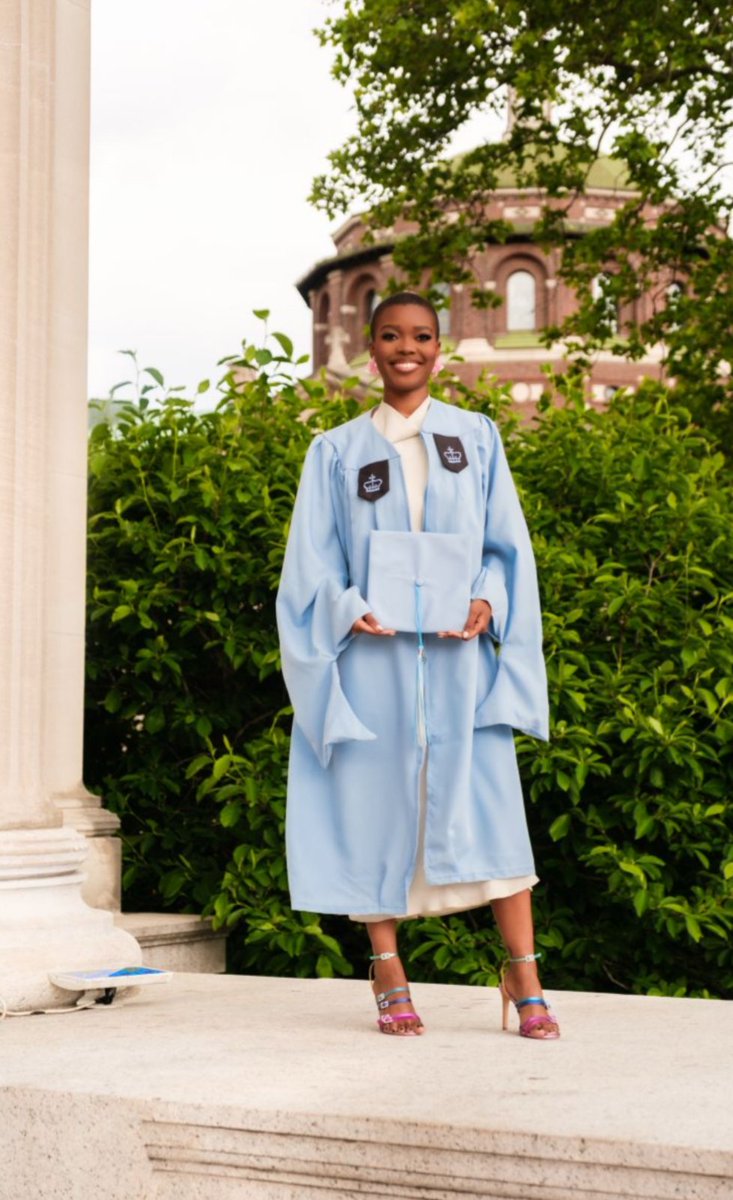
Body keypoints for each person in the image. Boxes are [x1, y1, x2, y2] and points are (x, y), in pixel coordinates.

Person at [276, 292, 559, 1040]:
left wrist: (489, 602)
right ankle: (387, 968)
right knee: (371, 805)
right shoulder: (335, 451)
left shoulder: (477, 438)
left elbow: (505, 548)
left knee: (491, 803)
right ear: (370, 349)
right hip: (375, 660)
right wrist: (345, 609)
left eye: (423, 336)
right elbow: (310, 565)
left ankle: (522, 970)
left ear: (442, 348)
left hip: (460, 661)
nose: (408, 348)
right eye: (391, 336)